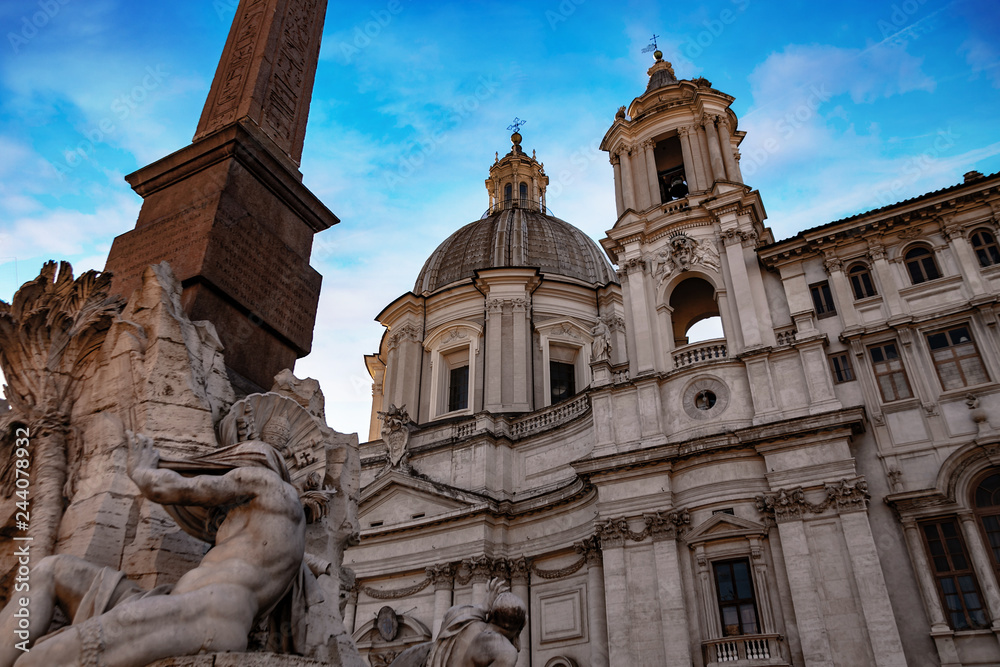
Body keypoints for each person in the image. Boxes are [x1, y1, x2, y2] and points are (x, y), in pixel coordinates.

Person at [0, 430, 313, 667]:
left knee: (38, 661)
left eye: (227, 466)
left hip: (204, 616)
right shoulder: (257, 528)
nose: (226, 473)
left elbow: (170, 488)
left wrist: (142, 471)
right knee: (50, 570)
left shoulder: (272, 486)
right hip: (167, 603)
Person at [390, 578, 526, 667]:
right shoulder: (505, 650)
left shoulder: (464, 621)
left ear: (491, 614)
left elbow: (453, 612)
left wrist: (482, 606)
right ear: (519, 628)